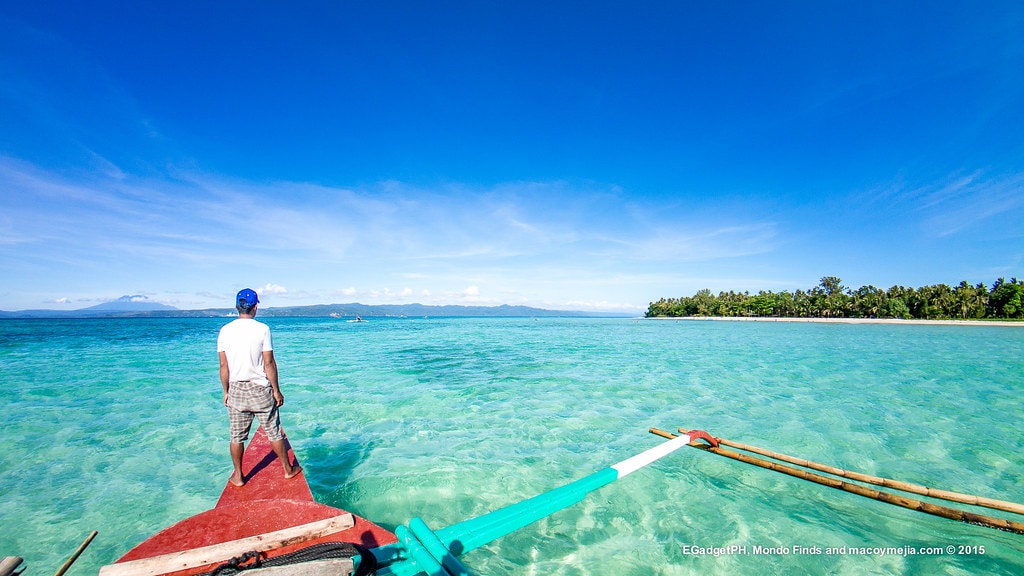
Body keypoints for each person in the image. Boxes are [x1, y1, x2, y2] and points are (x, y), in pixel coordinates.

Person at [217, 288, 301, 487]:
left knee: (236, 436)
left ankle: (238, 476)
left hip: (236, 389)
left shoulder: (225, 330)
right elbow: (269, 362)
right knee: (274, 431)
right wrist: (276, 390)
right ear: (255, 307)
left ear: (237, 307)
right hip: (260, 389)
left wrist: (226, 391)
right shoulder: (262, 329)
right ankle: (288, 470)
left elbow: (223, 366)